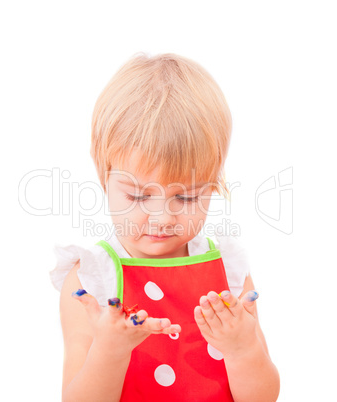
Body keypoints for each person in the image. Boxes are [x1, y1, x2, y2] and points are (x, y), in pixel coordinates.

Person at [50, 52, 280, 401]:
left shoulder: (227, 270)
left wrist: (242, 349)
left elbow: (262, 397)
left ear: (213, 186)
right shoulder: (91, 280)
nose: (162, 218)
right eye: (139, 196)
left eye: (186, 198)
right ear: (104, 180)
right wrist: (109, 352)